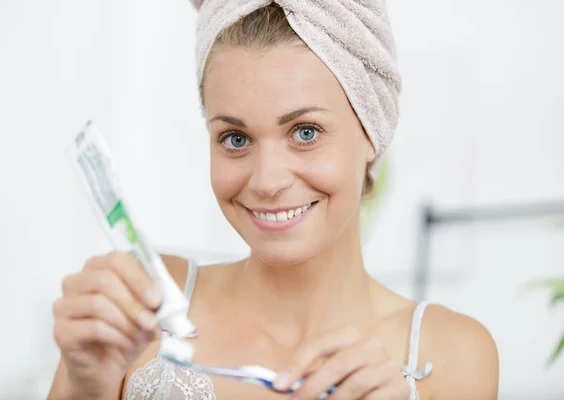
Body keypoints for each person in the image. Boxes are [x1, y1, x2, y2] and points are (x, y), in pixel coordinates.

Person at [47, 2, 499, 399]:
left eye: (305, 132)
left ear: (371, 134)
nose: (266, 181)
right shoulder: (142, 309)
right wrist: (82, 385)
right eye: (235, 137)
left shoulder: (453, 354)